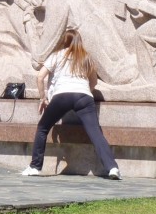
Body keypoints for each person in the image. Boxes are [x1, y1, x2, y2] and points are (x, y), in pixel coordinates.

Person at [21, 28, 121, 178]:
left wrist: (43, 98)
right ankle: (112, 168)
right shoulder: (86, 57)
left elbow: (40, 77)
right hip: (84, 96)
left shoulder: (56, 56)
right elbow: (93, 81)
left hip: (62, 96)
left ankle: (35, 167)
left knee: (43, 127)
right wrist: (84, 91)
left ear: (64, 41)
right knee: (95, 133)